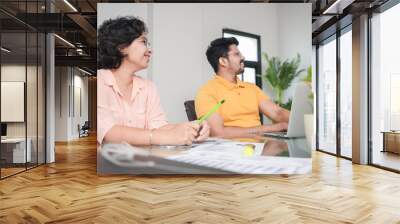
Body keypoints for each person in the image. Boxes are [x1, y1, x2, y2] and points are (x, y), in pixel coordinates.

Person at [97, 16, 210, 145]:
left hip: (141, 162)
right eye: (143, 42)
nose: (149, 50)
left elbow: (159, 127)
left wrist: (189, 128)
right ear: (122, 47)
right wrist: (161, 137)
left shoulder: (148, 87)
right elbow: (108, 132)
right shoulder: (100, 81)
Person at [195, 37, 289, 139]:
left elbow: (277, 113)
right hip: (230, 150)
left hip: (259, 146)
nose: (243, 57)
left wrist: (304, 119)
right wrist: (272, 128)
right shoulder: (207, 92)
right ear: (223, 61)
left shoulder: (252, 88)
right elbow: (218, 133)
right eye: (237, 54)